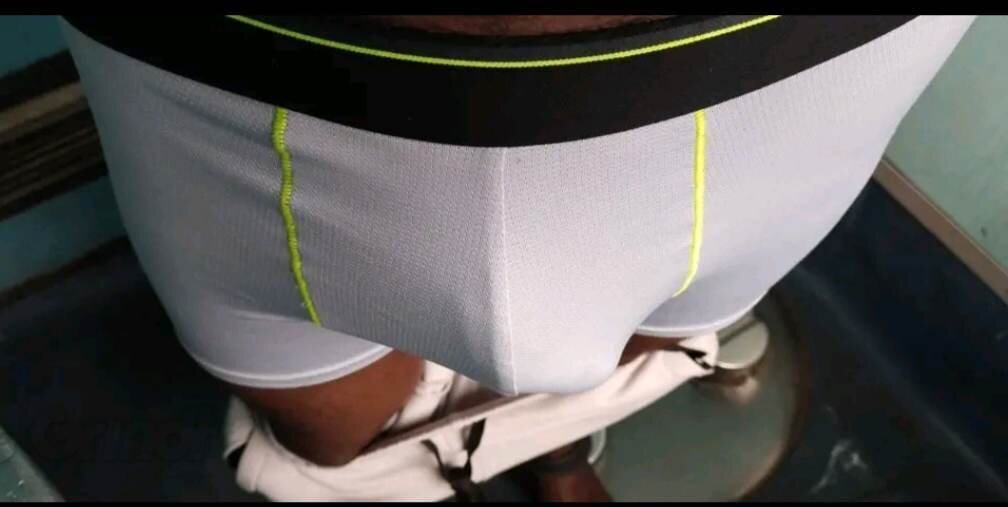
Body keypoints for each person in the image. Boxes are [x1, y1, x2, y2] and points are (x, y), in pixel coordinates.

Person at [60, 15, 975, 501]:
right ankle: (482, 450)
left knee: (636, 355)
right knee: (330, 438)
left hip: (794, 95)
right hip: (243, 94)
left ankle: (552, 447)